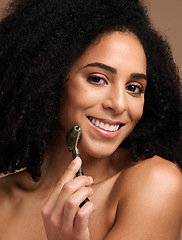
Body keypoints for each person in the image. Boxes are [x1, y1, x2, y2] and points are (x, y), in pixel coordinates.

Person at [0, 0, 182, 239]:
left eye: (134, 87)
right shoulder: (3, 201)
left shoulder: (157, 184)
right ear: (50, 80)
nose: (118, 104)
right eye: (97, 79)